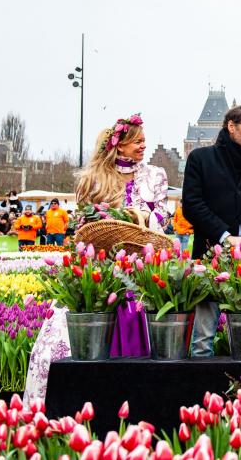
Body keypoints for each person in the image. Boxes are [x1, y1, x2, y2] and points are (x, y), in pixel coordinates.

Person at [182, 104, 241, 358]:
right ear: (231, 126)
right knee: (204, 336)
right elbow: (192, 205)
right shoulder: (201, 159)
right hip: (210, 255)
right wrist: (224, 236)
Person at [75, 113, 170, 356]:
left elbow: (163, 214)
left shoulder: (155, 175)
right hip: (104, 262)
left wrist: (143, 217)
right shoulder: (94, 179)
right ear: (119, 145)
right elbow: (83, 221)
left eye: (144, 140)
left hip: (143, 261)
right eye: (137, 141)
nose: (143, 145)